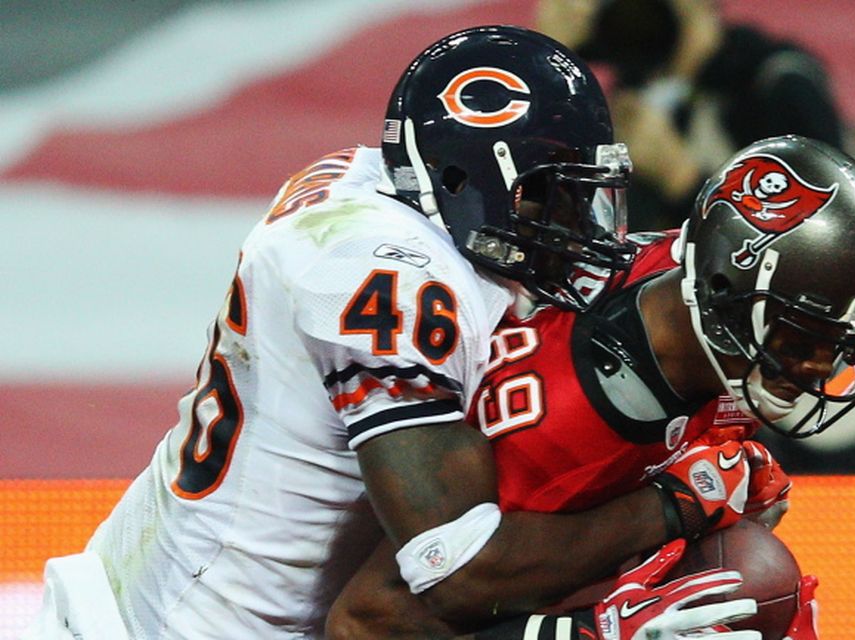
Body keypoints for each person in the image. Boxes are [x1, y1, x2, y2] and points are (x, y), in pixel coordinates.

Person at [24, 26, 759, 640]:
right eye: (551, 194)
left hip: (157, 592)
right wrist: (680, 503)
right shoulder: (389, 280)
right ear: (468, 178)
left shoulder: (375, 190)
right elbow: (455, 565)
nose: (575, 227)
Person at [326, 135, 855, 639]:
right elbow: (366, 622)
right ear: (728, 292)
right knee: (743, 590)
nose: (821, 370)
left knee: (754, 583)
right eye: (804, 339)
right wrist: (595, 620)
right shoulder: (562, 413)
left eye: (842, 343)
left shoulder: (693, 291)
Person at [538, 0, 855, 473]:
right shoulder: (641, 98)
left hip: (845, 393)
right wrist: (555, 60)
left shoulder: (774, 86)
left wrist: (680, 175)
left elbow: (814, 244)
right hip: (743, 383)